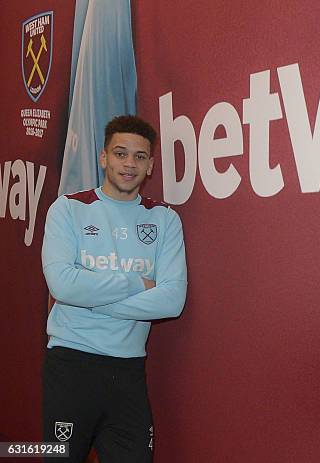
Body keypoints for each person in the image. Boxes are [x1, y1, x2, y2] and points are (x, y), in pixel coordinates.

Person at [41, 115, 187, 462]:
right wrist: (137, 284)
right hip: (71, 365)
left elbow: (172, 300)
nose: (129, 164)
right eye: (121, 153)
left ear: (150, 165)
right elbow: (62, 284)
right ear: (103, 157)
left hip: (128, 371)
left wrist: (89, 300)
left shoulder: (165, 219)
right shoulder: (68, 209)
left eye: (139, 157)